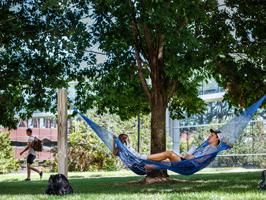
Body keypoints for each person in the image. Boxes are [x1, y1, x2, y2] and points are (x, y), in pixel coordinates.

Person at [146, 129, 221, 163]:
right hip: (187, 161)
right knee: (162, 161)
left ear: (217, 139)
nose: (209, 136)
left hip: (189, 164)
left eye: (212, 135)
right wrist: (188, 155)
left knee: (169, 153)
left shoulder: (212, 149)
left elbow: (201, 160)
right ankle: (143, 165)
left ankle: (142, 157)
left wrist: (191, 157)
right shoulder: (207, 147)